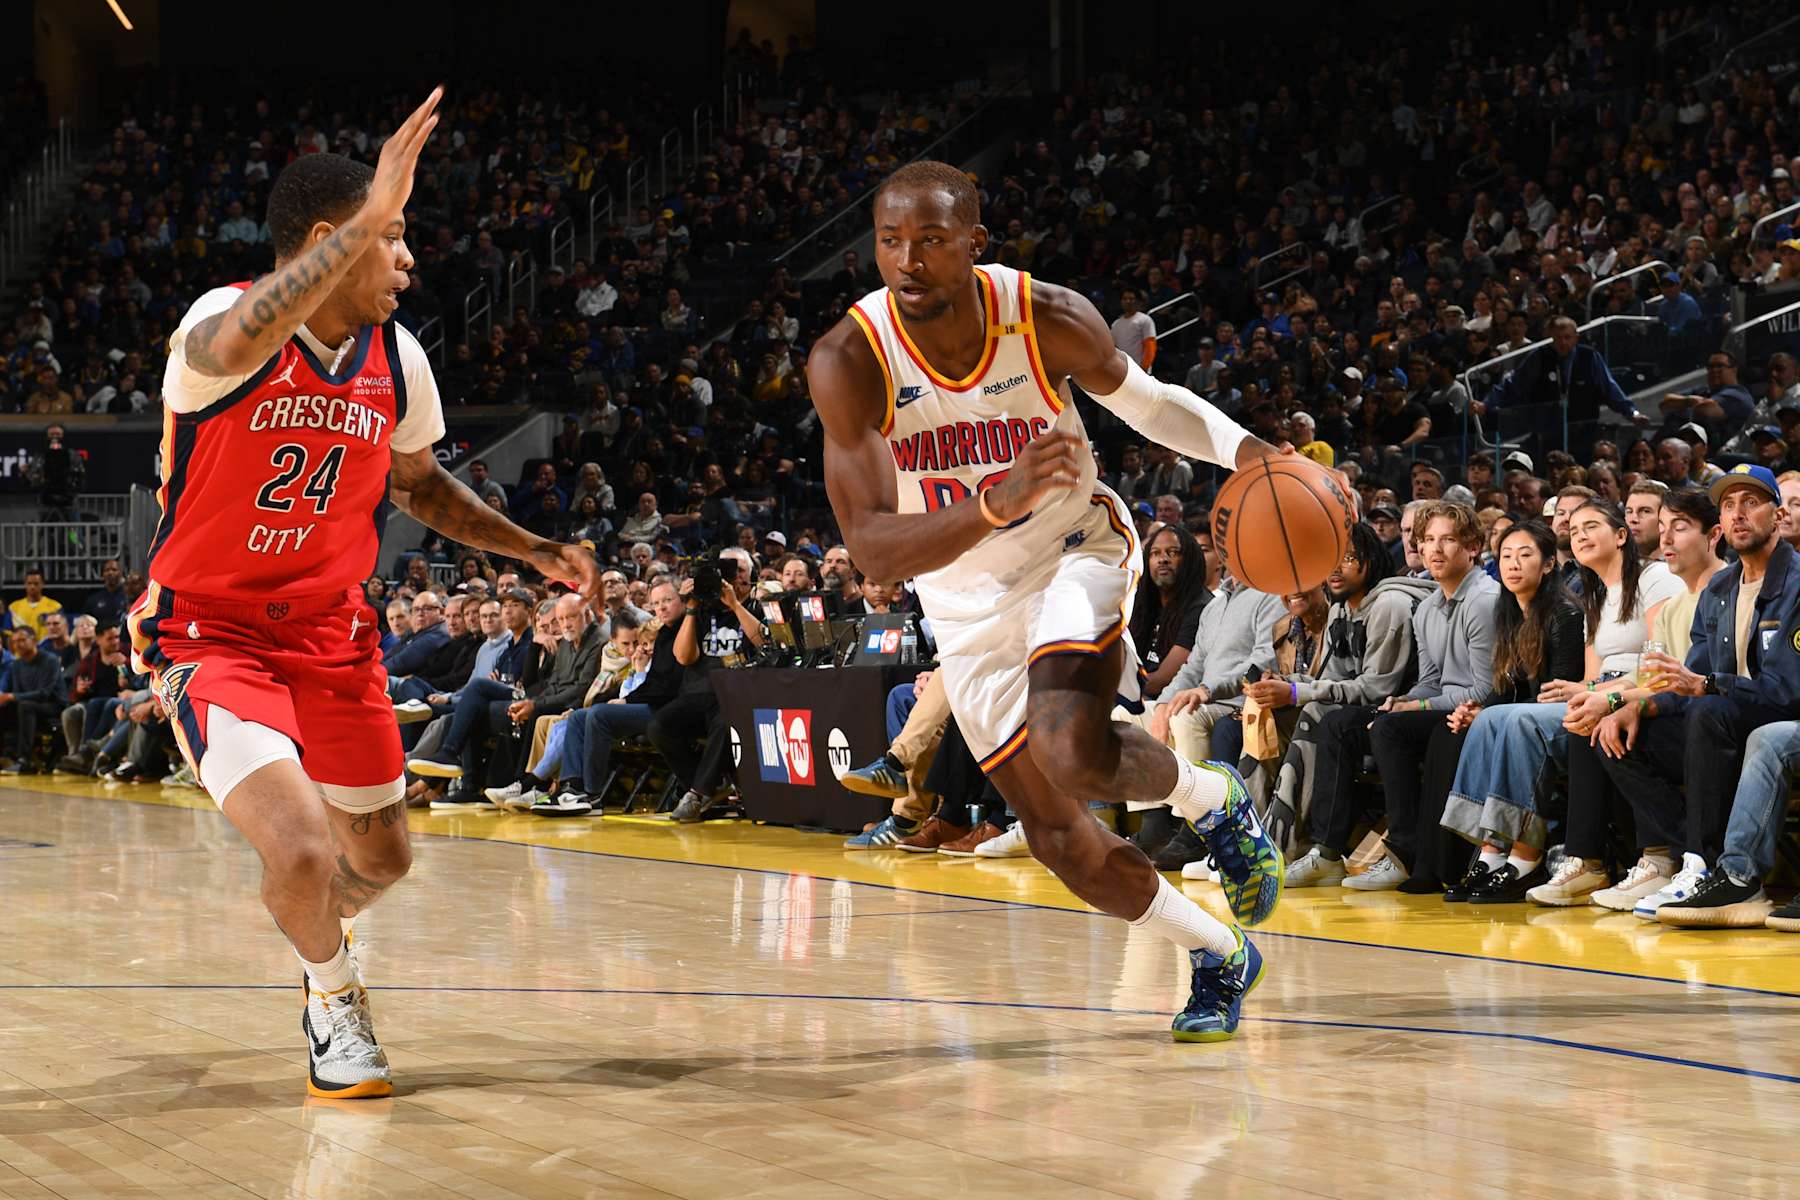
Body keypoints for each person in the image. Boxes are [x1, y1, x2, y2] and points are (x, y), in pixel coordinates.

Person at [126, 90, 597, 1102]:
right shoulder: (221, 322)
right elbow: (227, 350)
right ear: (331, 244)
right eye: (394, 238)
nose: (411, 259)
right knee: (298, 846)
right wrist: (361, 217)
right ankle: (335, 997)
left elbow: (422, 487)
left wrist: (532, 548)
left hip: (334, 636)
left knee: (381, 861)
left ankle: (314, 941)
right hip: (211, 632)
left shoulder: (401, 358)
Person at [807, 160, 1298, 1043]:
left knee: (1071, 748)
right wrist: (993, 499)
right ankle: (1218, 942)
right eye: (889, 242)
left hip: (1076, 549)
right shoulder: (851, 359)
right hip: (961, 601)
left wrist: (1256, 454)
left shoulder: (1040, 317)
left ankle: (1209, 800)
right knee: (1061, 841)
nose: (907, 261)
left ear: (975, 245)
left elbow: (1149, 404)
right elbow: (871, 546)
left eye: (930, 241)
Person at [1590, 465, 1800, 919]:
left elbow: (1787, 692)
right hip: (1724, 720)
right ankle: (1691, 856)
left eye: (1752, 502)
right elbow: (1692, 679)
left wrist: (1706, 686)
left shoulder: (1797, 583)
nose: (1739, 513)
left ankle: (1705, 864)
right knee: (1617, 735)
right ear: (1721, 524)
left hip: (1776, 718)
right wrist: (1638, 705)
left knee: (1708, 712)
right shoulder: (1720, 588)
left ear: (1778, 516)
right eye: (1729, 504)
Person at [1564, 489, 1723, 914]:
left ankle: (1689, 857)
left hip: (1723, 717)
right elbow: (1658, 679)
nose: (1667, 538)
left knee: (1690, 717)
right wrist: (1624, 702)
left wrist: (1616, 697)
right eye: (1664, 528)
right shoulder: (1674, 608)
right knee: (1606, 730)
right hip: (1682, 710)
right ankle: (1685, 853)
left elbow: (1690, 682)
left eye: (1681, 527)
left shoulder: (1723, 590)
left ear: (1714, 536)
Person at [1432, 521, 1588, 902]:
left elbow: (1555, 693)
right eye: (1505, 556)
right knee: (1486, 719)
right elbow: (1509, 692)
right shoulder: (1508, 614)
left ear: (1549, 564)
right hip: (1527, 719)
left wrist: (1497, 712)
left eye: (1525, 555)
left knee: (1512, 720)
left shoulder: (1564, 613)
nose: (1513, 564)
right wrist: (1477, 710)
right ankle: (1490, 852)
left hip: (1566, 719)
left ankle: (1525, 857)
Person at [1353, 503, 1500, 891]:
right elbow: (1432, 680)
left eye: (1448, 539)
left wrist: (1415, 706)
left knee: (1397, 731)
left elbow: (1484, 689)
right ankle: (1353, 849)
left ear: (1472, 548)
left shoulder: (1484, 601)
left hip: (1482, 709)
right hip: (1445, 706)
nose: (1435, 550)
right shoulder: (1427, 609)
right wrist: (1402, 702)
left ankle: (1408, 853)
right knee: (1377, 722)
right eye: (1428, 540)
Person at [1280, 523, 1434, 882]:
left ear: (1371, 560)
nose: (1336, 569)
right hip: (1371, 708)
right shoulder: (1340, 610)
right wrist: (1289, 687)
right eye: (1331, 560)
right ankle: (1276, 837)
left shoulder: (1390, 605)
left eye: (1348, 559)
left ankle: (1321, 848)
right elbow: (1333, 679)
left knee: (1326, 717)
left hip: (1403, 706)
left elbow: (1377, 687)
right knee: (1274, 715)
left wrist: (1301, 693)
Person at [0, 626, 68, 772]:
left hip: (54, 706)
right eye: (15, 641)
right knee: (5, 707)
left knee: (24, 705)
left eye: (22, 640)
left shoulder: (50, 660)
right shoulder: (16, 664)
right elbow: (17, 692)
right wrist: (8, 698)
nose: (18, 644)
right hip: (28, 705)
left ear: (34, 640)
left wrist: (12, 697)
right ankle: (7, 755)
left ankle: (25, 759)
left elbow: (45, 693)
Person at [8, 569, 63, 638]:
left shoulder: (55, 606)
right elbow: (8, 632)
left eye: (36, 583)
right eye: (29, 583)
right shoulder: (14, 607)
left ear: (42, 584)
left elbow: (62, 630)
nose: (32, 587)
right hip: (22, 647)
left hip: (47, 648)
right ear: (25, 584)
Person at [83, 558, 129, 628]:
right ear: (103, 575)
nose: (110, 573)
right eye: (107, 570)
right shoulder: (93, 600)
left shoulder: (128, 596)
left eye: (114, 570)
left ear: (121, 573)